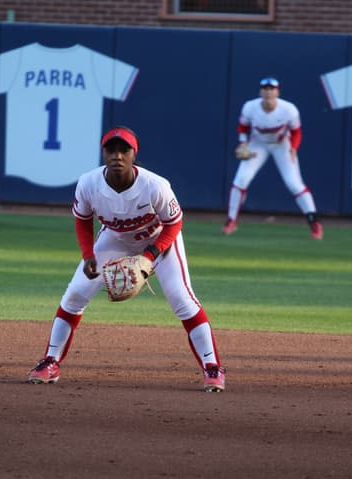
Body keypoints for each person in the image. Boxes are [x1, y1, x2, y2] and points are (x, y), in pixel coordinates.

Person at [29, 126, 226, 392]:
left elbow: (174, 224)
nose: (117, 156)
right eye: (111, 150)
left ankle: (212, 367)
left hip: (158, 241)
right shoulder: (88, 183)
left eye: (124, 150)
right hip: (115, 239)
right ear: (103, 153)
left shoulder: (155, 185)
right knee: (75, 294)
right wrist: (88, 255)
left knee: (182, 298)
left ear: (134, 154)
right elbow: (82, 220)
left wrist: (149, 256)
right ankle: (50, 361)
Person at [222, 76, 323, 240]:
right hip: (257, 144)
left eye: (272, 89)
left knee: (294, 184)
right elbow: (242, 127)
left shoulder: (289, 109)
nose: (268, 92)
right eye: (265, 89)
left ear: (278, 92)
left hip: (282, 145)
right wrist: (243, 144)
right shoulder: (250, 107)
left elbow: (296, 131)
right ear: (260, 91)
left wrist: (294, 148)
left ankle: (314, 223)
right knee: (240, 181)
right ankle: (231, 221)